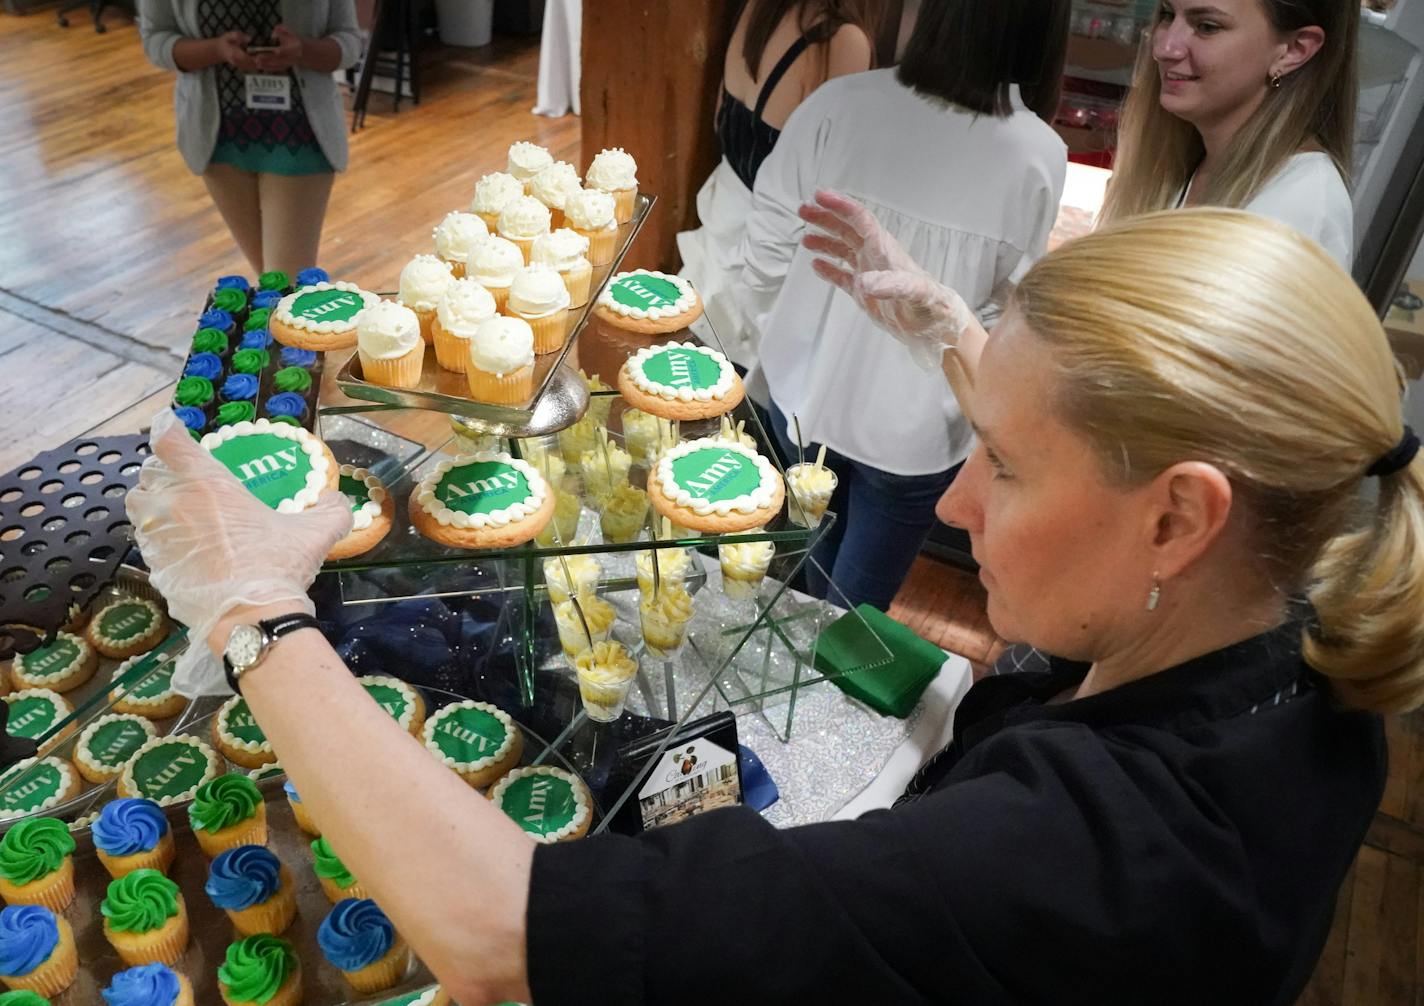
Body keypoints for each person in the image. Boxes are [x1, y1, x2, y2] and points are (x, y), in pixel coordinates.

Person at [128, 208, 1418, 1003]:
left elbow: (493, 933)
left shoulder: (1088, 861)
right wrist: (964, 344)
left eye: (1006, 464)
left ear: (1179, 518)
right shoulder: (1303, 622)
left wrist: (253, 610)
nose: (956, 505)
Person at [734, 0, 1069, 610]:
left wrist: (790, 335)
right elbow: (1003, 316)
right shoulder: (1038, 154)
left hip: (802, 399)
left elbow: (761, 257)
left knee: (806, 578)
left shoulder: (838, 105)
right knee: (852, 613)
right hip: (919, 433)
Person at [676, 0, 888, 371]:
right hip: (769, 257)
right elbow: (837, 181)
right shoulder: (840, 40)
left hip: (719, 227)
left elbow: (721, 119)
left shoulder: (759, 10)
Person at [1101, 0, 1356, 267]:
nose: (1164, 48)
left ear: (1293, 50)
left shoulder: (1299, 201)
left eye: (1207, 27)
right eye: (1167, 14)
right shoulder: (1192, 162)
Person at [138, 0, 363, 277]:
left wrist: (302, 50)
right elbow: (155, 40)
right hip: (218, 137)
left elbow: (349, 42)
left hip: (300, 134)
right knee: (272, 284)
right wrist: (216, 50)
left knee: (284, 284)